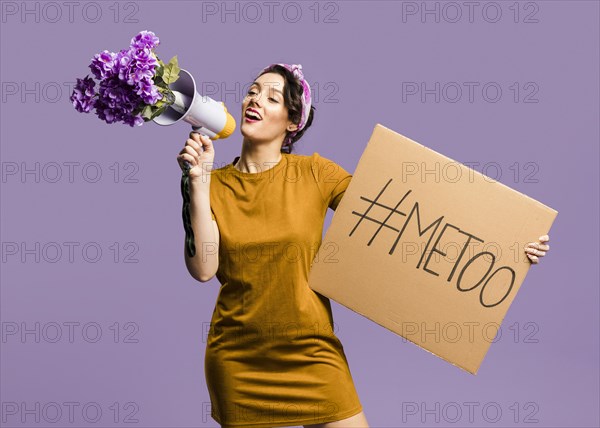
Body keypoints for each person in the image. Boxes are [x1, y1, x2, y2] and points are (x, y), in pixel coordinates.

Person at [176, 64, 551, 428]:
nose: (255, 100)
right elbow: (204, 269)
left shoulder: (316, 174)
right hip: (238, 356)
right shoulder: (214, 184)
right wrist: (198, 180)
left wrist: (509, 242)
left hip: (311, 349)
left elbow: (408, 217)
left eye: (272, 97)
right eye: (252, 92)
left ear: (293, 122)